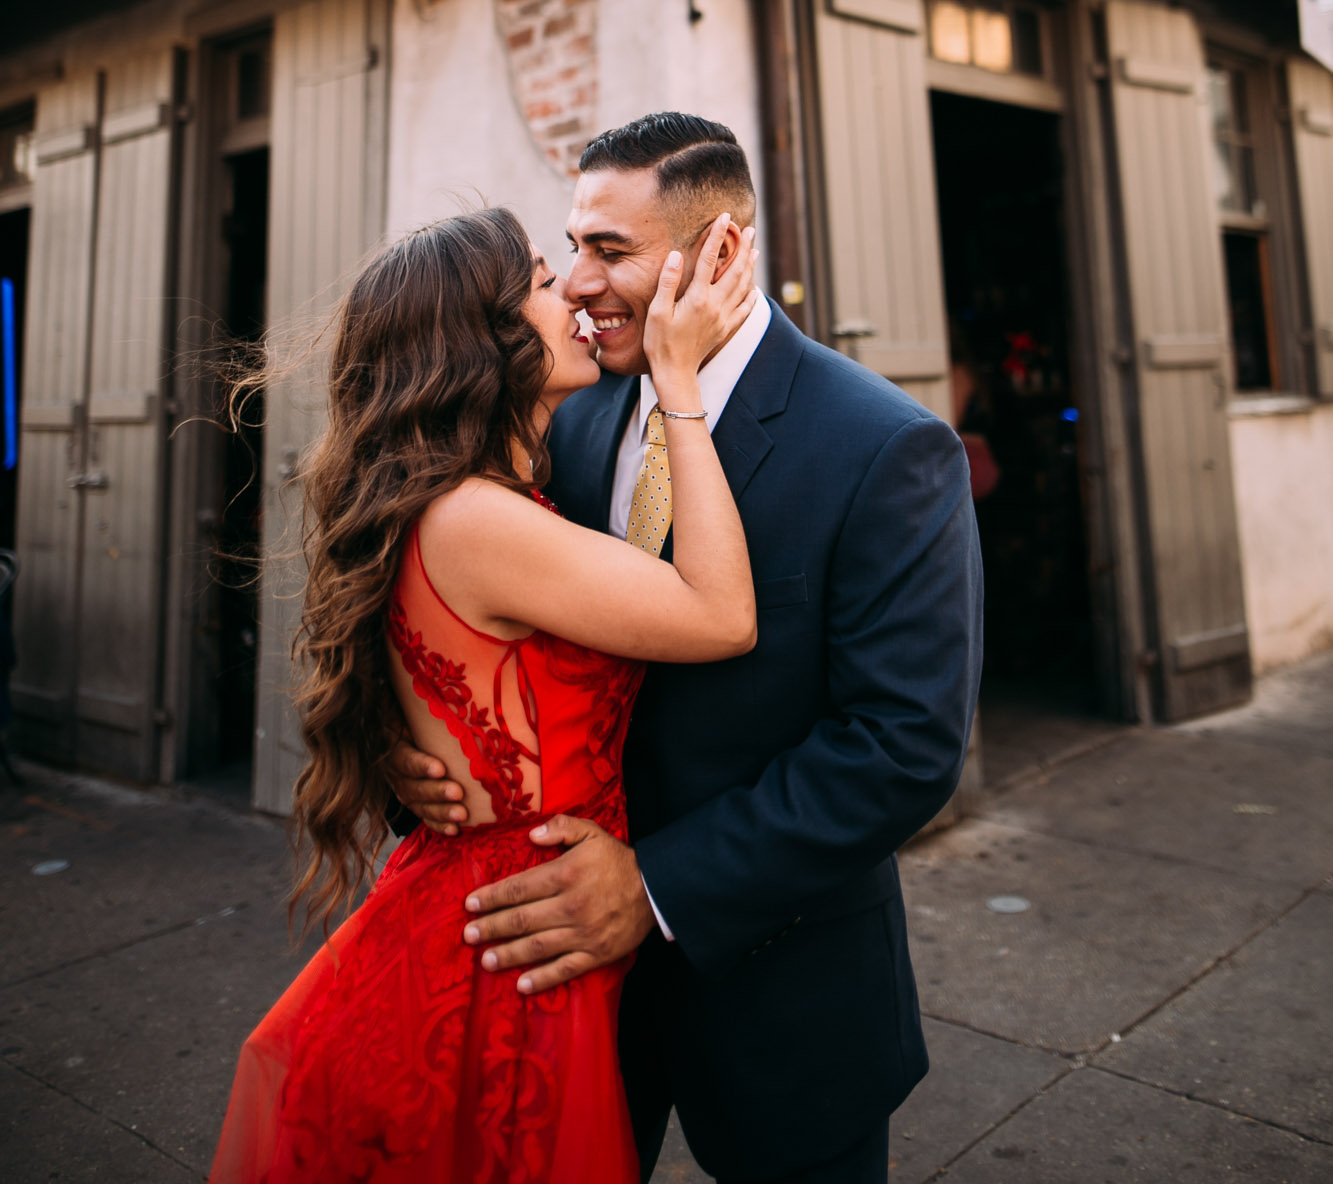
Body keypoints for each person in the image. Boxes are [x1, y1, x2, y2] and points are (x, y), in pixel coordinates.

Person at [389, 114, 984, 1184]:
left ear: (717, 250)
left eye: (609, 250)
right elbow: (483, 624)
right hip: (569, 988)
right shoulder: (571, 415)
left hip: (783, 995)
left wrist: (656, 884)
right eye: (571, 246)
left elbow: (901, 746)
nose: (576, 282)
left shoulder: (885, 446)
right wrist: (418, 750)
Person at [210, 203, 759, 1183]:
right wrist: (679, 379)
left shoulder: (489, 499)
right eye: (546, 284)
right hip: (507, 945)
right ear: (487, 340)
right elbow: (719, 613)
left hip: (505, 901)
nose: (576, 298)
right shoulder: (476, 518)